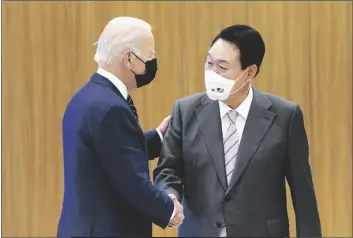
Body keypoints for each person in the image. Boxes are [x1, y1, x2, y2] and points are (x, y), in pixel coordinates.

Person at [153, 25, 321, 237]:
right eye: (209, 62)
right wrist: (169, 195)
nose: (212, 72)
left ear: (249, 72)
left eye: (222, 67)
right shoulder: (186, 111)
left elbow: (303, 192)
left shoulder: (285, 116)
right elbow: (168, 169)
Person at [57, 17, 184, 237]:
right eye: (150, 56)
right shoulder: (111, 109)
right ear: (129, 59)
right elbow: (133, 184)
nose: (153, 62)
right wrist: (170, 209)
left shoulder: (87, 96)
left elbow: (113, 152)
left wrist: (159, 138)